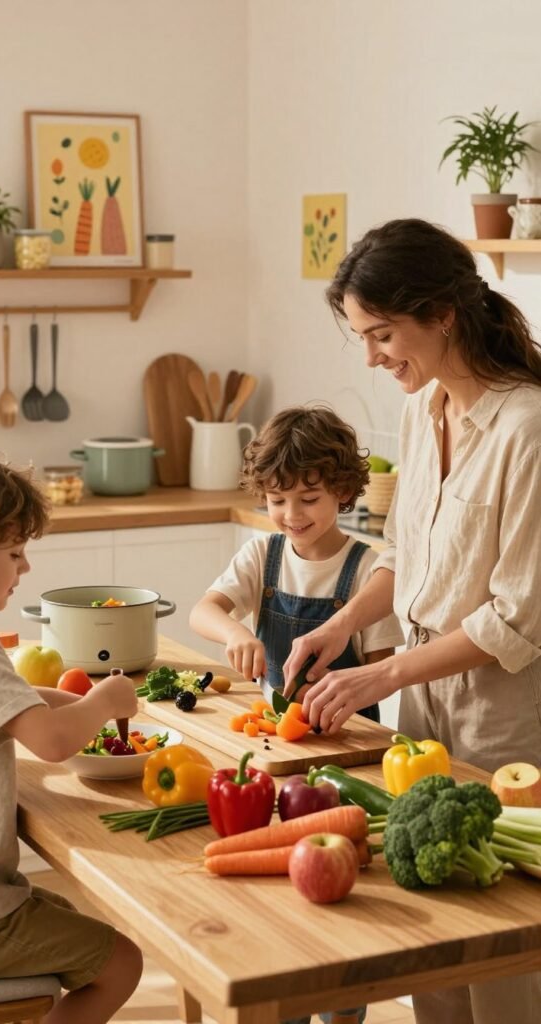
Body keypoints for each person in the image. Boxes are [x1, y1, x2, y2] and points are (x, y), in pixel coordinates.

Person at [283, 218, 541, 1024]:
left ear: (442, 315)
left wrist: (383, 670)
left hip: (504, 717)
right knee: (428, 929)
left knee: (499, 952)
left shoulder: (526, 429)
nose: (370, 356)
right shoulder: (422, 410)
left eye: (381, 334)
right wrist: (344, 624)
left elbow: (517, 619)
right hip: (421, 707)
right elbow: (402, 555)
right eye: (361, 337)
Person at [190, 406, 403, 1024]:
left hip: (343, 760)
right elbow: (205, 608)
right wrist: (232, 632)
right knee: (280, 893)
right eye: (278, 499)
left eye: (308, 497)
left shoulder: (369, 571)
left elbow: (385, 674)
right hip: (272, 757)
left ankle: (343, 1006)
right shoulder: (265, 554)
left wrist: (352, 707)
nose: (292, 515)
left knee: (338, 890)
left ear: (342, 490)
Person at [0, 451, 143, 1024]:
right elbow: (53, 741)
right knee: (122, 962)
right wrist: (103, 701)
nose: (26, 568)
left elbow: (19, 707)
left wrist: (73, 702)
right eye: (14, 553)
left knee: (63, 916)